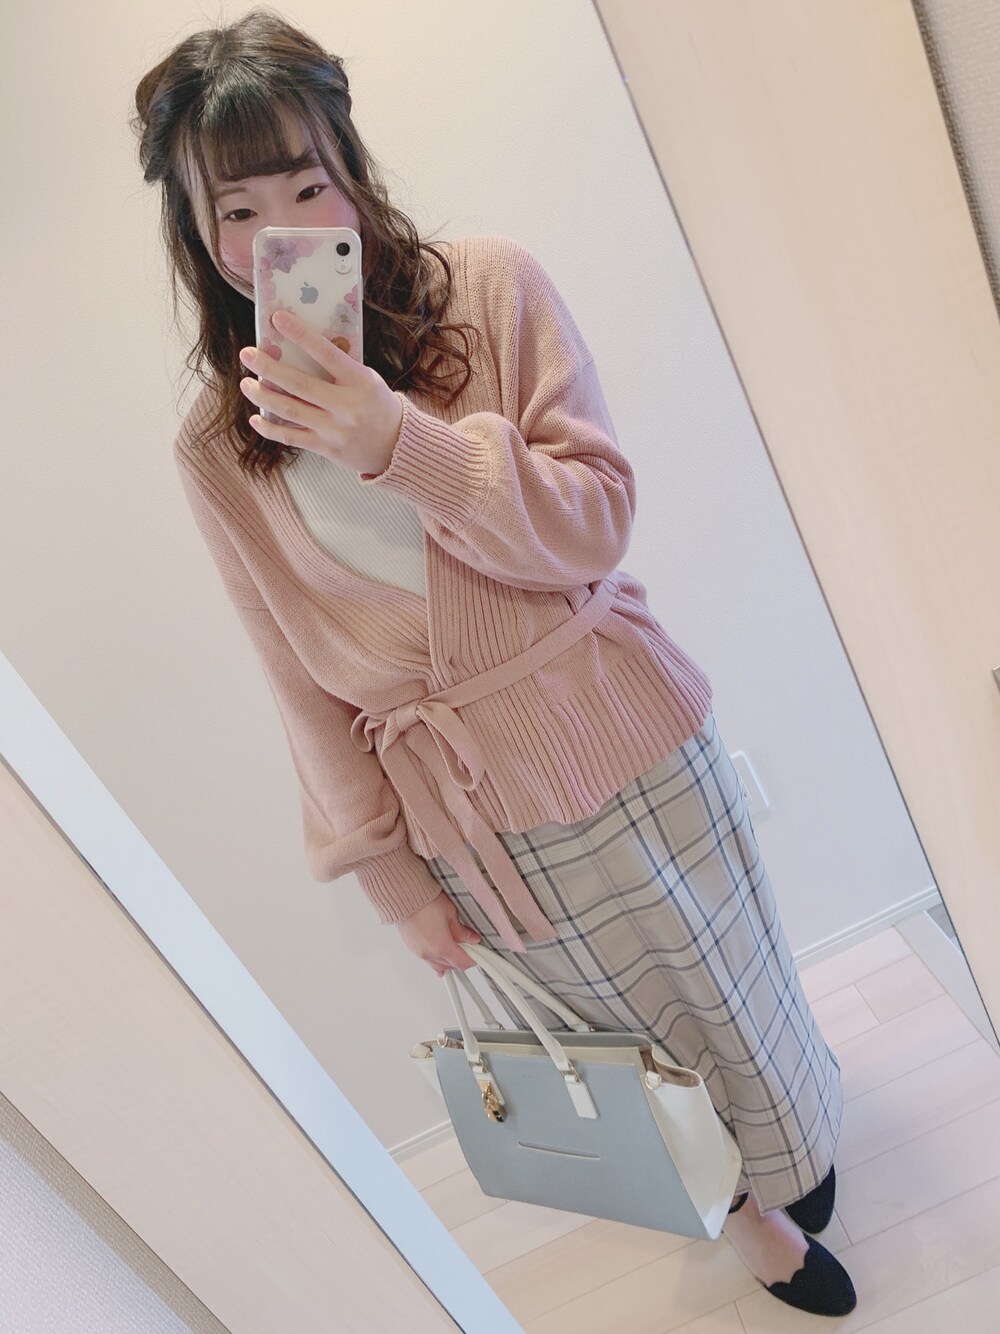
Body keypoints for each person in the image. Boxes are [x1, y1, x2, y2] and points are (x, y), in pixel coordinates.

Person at [131, 9, 856, 1318]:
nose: (281, 229)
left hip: (625, 722)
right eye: (238, 209)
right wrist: (390, 876)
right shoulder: (216, 447)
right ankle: (748, 1217)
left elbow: (596, 520)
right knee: (624, 1051)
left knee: (737, 979)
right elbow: (298, 681)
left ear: (352, 167)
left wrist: (395, 441)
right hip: (478, 814)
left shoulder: (489, 289)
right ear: (197, 227)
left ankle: (796, 1152)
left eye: (307, 184)